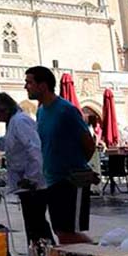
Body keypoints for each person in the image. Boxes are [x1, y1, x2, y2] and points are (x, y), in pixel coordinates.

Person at [0, 93, 54, 246]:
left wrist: (32, 177)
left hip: (32, 184)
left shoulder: (20, 122)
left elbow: (35, 150)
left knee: (37, 224)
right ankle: (38, 255)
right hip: (26, 183)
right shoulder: (13, 122)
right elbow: (5, 144)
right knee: (33, 224)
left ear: (5, 109)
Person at [24, 66, 96, 245]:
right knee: (61, 233)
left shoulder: (66, 110)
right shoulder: (40, 111)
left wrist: (74, 167)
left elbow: (88, 144)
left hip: (71, 180)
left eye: (29, 82)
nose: (26, 86)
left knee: (68, 233)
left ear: (43, 85)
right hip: (52, 181)